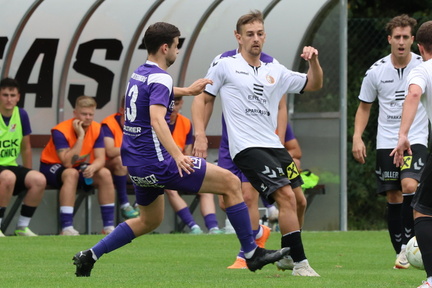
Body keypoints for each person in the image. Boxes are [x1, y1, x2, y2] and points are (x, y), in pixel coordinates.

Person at [71, 21, 289, 277]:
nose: (177, 51)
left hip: (138, 165)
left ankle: (90, 255)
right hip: (160, 162)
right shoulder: (161, 76)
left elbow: (150, 94)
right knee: (231, 183)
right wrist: (177, 155)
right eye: (176, 46)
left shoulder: (139, 73)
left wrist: (185, 90)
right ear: (165, 47)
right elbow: (155, 118)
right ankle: (252, 253)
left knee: (149, 220)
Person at [192, 10, 322, 276]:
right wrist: (200, 135)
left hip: (274, 146)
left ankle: (285, 255)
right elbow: (203, 98)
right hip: (247, 147)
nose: (256, 39)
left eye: (260, 34)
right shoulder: (225, 63)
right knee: (282, 196)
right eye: (249, 34)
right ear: (238, 37)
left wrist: (314, 62)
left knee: (299, 200)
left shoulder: (274, 68)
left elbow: (314, 84)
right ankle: (299, 263)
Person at [352, 14, 428, 269]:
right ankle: (402, 251)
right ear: (389, 39)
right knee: (393, 195)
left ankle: (411, 246)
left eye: (406, 37)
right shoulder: (376, 71)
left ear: (413, 40)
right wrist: (357, 137)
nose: (402, 42)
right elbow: (364, 107)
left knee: (409, 185)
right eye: (397, 37)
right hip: (386, 141)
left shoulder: (423, 66)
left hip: (415, 138)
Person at [391, 20, 432, 288]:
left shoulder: (423, 69)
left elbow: (414, 94)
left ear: (419, 46)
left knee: (423, 212)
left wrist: (403, 133)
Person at [40, 96, 116, 236]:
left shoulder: (97, 128)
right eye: (84, 114)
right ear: (75, 113)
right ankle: (67, 228)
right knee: (71, 173)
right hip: (50, 166)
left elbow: (100, 158)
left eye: (91, 114)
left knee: (104, 173)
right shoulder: (60, 130)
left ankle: (108, 227)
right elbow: (67, 163)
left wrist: (93, 167)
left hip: (76, 165)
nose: (87, 117)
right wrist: (80, 136)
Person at [165, 96, 223, 234]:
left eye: (177, 104)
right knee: (170, 189)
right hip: (163, 168)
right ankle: (193, 227)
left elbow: (188, 152)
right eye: (170, 105)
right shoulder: (157, 121)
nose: (173, 109)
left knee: (205, 186)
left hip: (182, 165)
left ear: (181, 104)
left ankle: (213, 227)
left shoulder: (185, 123)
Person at [0, 77, 46, 237]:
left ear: (18, 97)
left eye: (12, 95)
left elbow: (26, 147)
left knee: (39, 179)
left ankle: (22, 226)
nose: (9, 99)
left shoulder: (21, 114)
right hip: (3, 171)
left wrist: (27, 171)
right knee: (8, 177)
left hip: (10, 165)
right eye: (5, 95)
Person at [101, 96, 139, 220]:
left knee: (152, 163)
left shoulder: (142, 123)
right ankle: (125, 204)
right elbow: (110, 151)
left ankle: (140, 203)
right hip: (106, 165)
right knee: (121, 160)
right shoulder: (109, 123)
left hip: (132, 167)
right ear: (122, 110)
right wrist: (134, 150)